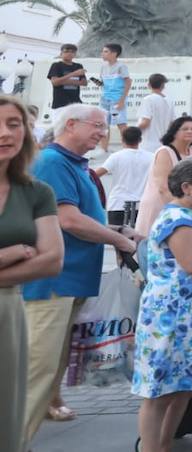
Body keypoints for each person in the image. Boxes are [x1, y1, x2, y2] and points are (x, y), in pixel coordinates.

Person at [21, 103, 137, 442]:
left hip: (69, 281)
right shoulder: (53, 162)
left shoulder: (73, 164)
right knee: (36, 370)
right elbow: (68, 220)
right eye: (98, 126)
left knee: (50, 368)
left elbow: (84, 217)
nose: (104, 133)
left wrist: (119, 231)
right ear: (70, 124)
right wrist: (120, 240)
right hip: (51, 284)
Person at [132, 156, 192, 452]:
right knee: (159, 391)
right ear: (186, 187)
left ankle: (164, 444)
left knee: (186, 387)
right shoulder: (178, 217)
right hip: (174, 316)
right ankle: (152, 448)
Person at [0, 95, 63, 452]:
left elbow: (52, 260)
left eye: (14, 123)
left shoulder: (36, 192)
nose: (5, 133)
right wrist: (10, 253)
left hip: (7, 313)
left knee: (6, 416)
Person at [133, 115, 192, 238]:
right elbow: (163, 188)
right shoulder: (164, 152)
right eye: (185, 129)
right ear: (174, 132)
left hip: (187, 206)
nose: (190, 131)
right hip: (161, 204)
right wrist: (183, 211)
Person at [92, 126, 153, 227]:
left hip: (118, 203)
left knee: (118, 238)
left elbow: (95, 174)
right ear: (140, 140)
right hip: (142, 205)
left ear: (122, 139)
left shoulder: (116, 156)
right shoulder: (152, 157)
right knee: (140, 239)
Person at [91, 43, 131, 147]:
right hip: (105, 99)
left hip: (117, 99)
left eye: (105, 51)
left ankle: (128, 148)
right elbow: (103, 83)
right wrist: (98, 83)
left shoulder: (121, 66)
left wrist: (122, 100)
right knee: (103, 124)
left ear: (114, 53)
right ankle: (104, 149)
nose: (102, 54)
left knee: (121, 124)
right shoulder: (103, 67)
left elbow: (128, 81)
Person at [135, 73, 174, 152]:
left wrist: (132, 130)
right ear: (163, 86)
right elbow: (172, 123)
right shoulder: (169, 101)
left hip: (148, 144)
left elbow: (145, 122)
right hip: (163, 143)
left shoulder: (148, 99)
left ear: (149, 85)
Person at [45, 44, 85, 110]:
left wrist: (63, 81)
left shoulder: (78, 66)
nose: (69, 53)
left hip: (75, 103)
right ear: (61, 54)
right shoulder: (56, 65)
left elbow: (84, 82)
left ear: (75, 54)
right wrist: (74, 74)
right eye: (66, 51)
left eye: (72, 52)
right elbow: (55, 82)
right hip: (60, 104)